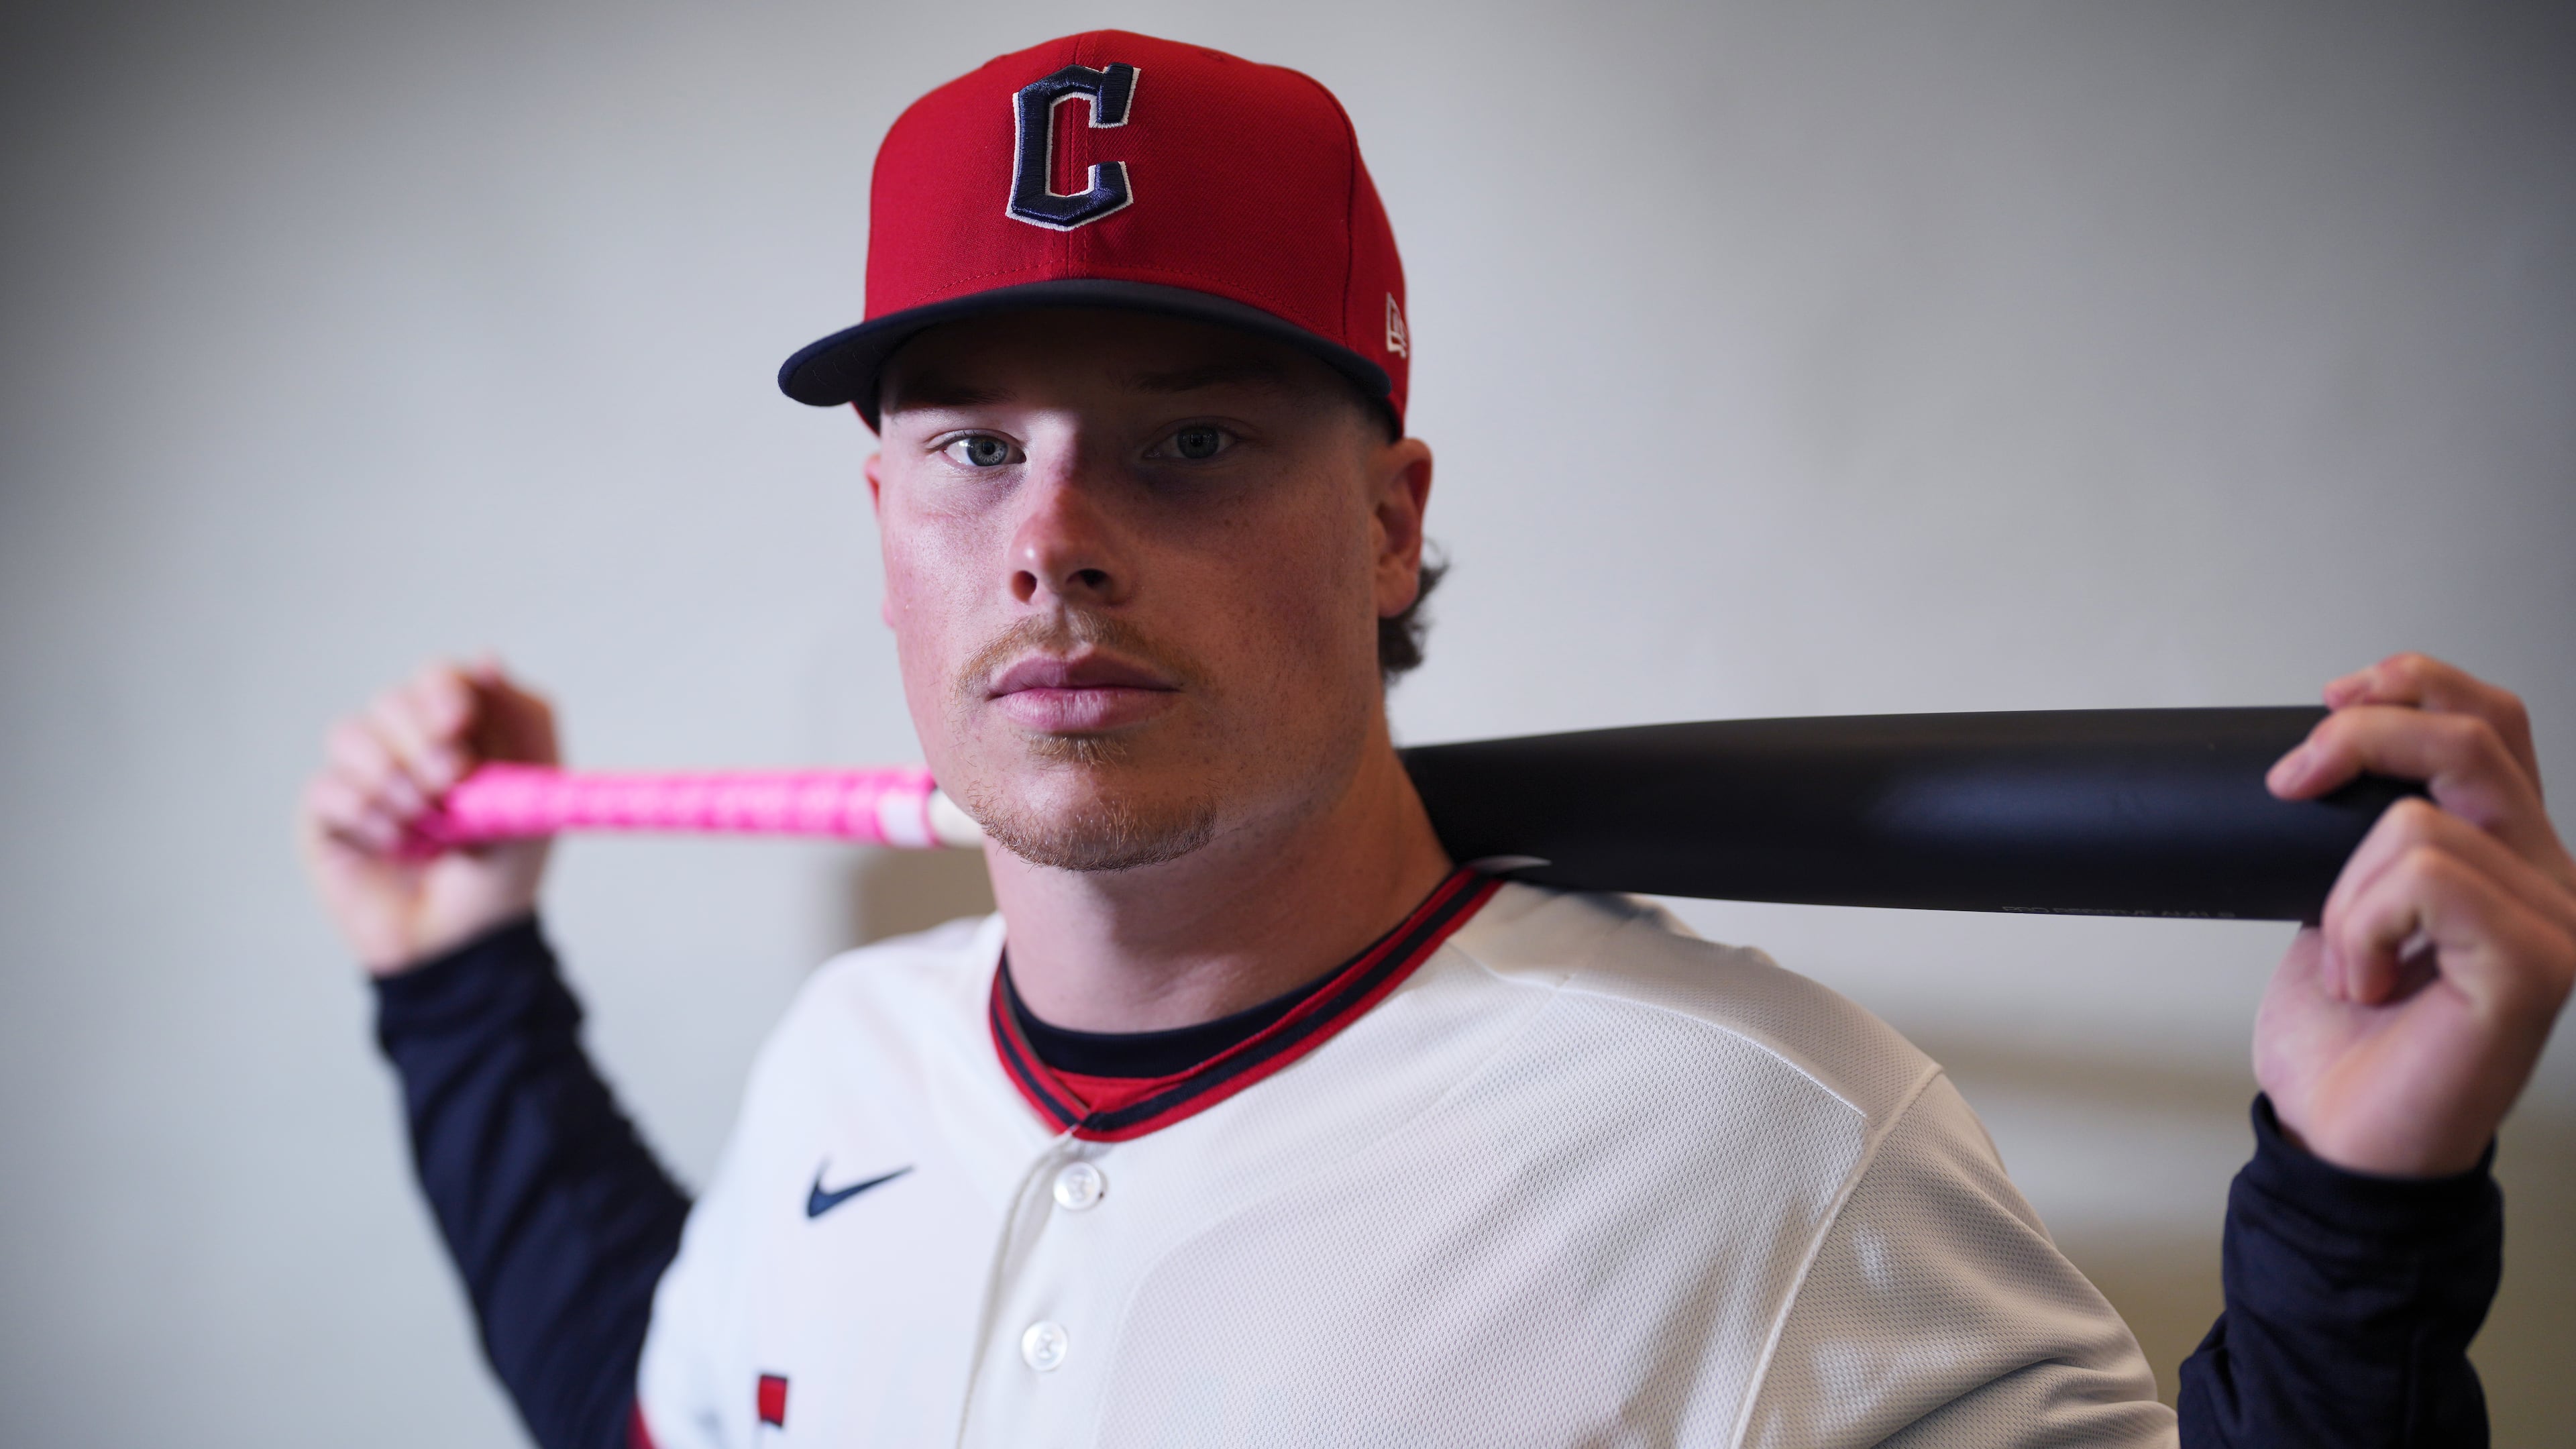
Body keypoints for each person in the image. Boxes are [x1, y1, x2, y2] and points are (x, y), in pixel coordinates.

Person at [298, 30, 2573, 1449]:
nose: (1054, 541)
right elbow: (651, 1405)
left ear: (1390, 523)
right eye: (971, 450)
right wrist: (449, 972)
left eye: (1187, 445)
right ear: (880, 519)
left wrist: (2360, 1215)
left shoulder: (1765, 1141)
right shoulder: (844, 1058)